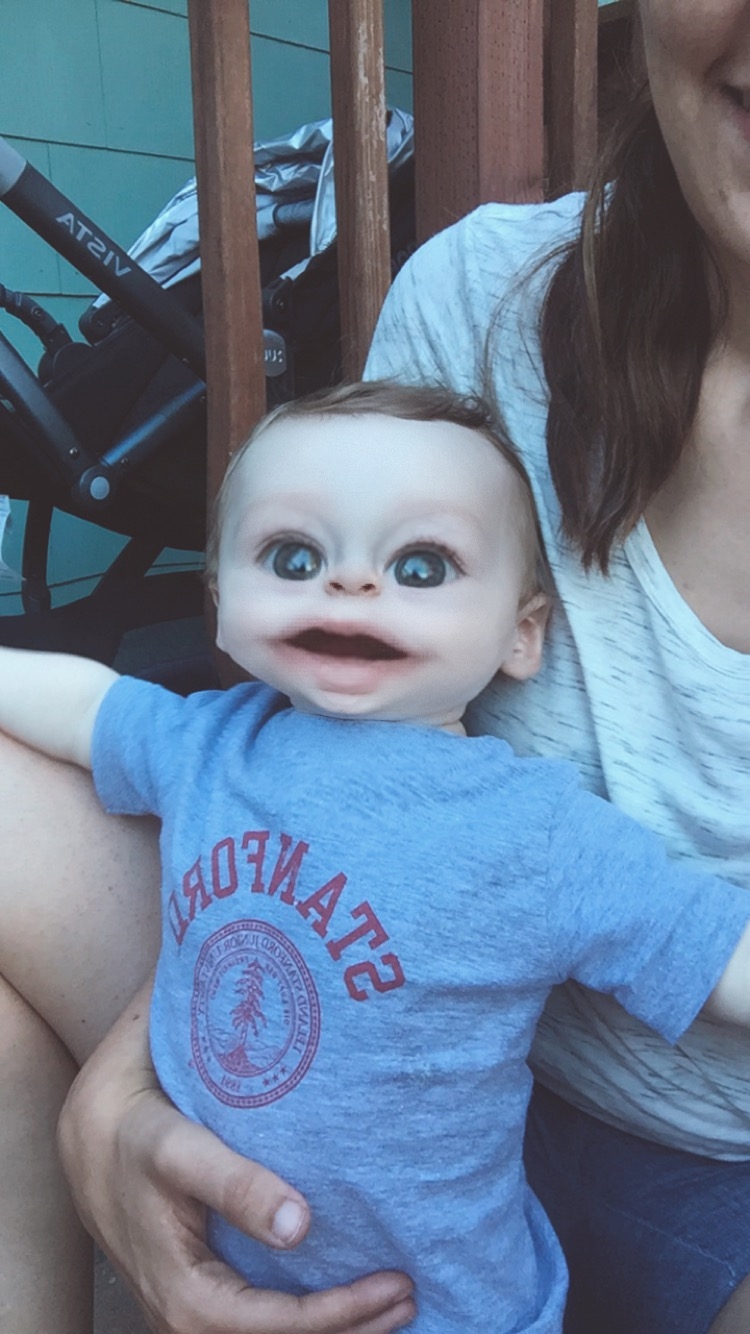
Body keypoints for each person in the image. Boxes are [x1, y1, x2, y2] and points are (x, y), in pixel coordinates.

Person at [2, 3, 750, 1332]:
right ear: (217, 595)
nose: (350, 585)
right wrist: (117, 1099)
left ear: (519, 629)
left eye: (418, 568)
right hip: (358, 1106)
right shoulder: (486, 299)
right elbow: (90, 708)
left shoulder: (542, 836)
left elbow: (707, 949)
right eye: (292, 556)